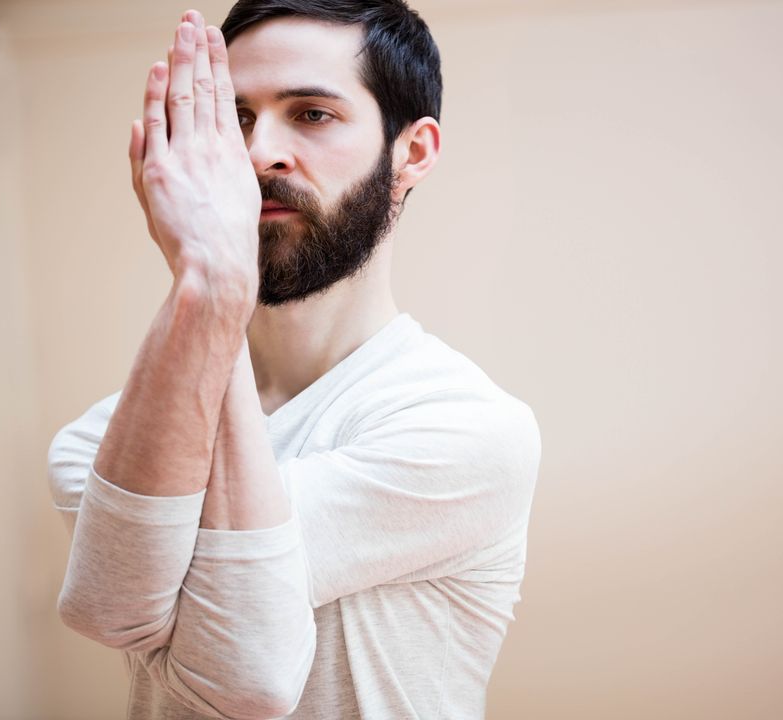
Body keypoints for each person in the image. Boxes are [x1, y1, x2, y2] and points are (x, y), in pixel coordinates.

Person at [47, 2, 541, 718]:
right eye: (235, 117)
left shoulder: (469, 430)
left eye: (311, 114)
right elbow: (107, 607)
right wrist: (211, 288)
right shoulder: (100, 441)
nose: (255, 155)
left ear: (414, 152)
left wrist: (214, 280)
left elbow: (244, 675)